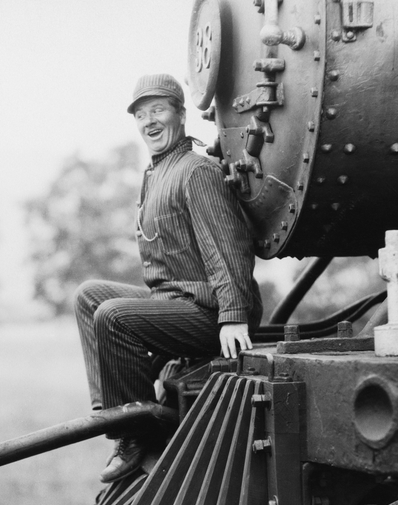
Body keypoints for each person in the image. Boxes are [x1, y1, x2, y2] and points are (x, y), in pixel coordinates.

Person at [75, 73, 263, 483]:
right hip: (175, 303)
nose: (149, 121)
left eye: (158, 109)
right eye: (141, 114)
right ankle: (115, 415)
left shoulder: (196, 171)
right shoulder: (154, 174)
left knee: (112, 315)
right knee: (89, 297)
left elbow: (226, 248)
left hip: (209, 312)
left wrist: (233, 313)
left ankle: (139, 434)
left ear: (180, 114)